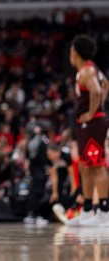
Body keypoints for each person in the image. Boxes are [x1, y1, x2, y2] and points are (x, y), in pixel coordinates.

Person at [64, 35, 109, 226]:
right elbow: (105, 84)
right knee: (84, 165)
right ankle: (88, 208)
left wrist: (93, 112)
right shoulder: (88, 69)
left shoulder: (87, 71)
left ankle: (105, 212)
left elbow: (98, 91)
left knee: (97, 165)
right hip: (87, 124)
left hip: (93, 124)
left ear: (75, 52)